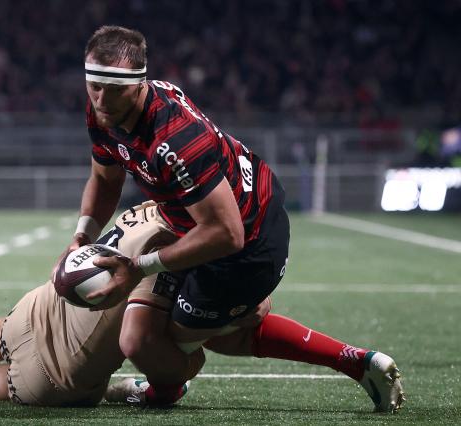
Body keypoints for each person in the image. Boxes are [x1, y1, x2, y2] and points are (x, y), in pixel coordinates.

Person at [60, 25, 404, 412]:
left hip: (248, 245)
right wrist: (82, 234)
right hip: (201, 224)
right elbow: (106, 179)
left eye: (115, 89)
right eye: (95, 86)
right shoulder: (104, 111)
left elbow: (227, 234)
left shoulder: (174, 140)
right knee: (141, 339)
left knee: (186, 341)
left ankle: (352, 362)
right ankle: (231, 321)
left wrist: (138, 268)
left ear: (140, 84)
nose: (102, 99)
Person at [0, 202, 203, 406]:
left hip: (45, 304)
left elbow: (103, 180)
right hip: (64, 374)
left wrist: (81, 237)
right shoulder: (170, 248)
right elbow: (139, 341)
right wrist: (182, 370)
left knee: (6, 331)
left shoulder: (147, 208)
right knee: (13, 381)